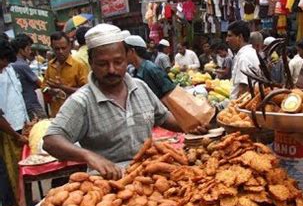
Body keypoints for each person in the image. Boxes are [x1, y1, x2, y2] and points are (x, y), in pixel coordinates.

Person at [43, 24, 203, 180]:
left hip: (148, 176)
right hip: (108, 184)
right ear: (91, 63)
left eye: (118, 62)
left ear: (127, 58)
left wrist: (190, 124)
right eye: (102, 64)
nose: (112, 69)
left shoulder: (140, 87)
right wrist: (89, 156)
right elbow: (51, 140)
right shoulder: (82, 101)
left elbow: (163, 117)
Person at [0, 39, 29, 206]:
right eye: (2, 63)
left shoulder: (9, 69)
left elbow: (17, 97)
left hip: (17, 125)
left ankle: (22, 199)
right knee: (10, 168)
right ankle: (16, 204)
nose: (3, 67)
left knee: (20, 165)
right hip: (6, 130)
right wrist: (15, 134)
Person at [43, 31, 88, 116]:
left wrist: (62, 87)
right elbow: (44, 87)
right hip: (56, 114)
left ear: (69, 47)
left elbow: (85, 91)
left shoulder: (79, 65)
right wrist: (50, 90)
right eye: (57, 49)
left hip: (75, 114)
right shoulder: (50, 65)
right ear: (52, 48)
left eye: (63, 48)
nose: (60, 52)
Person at [125, 35, 175, 99]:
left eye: (124, 52)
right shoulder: (135, 71)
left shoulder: (151, 68)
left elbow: (170, 90)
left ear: (132, 51)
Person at [10, 34, 47, 119]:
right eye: (28, 49)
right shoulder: (22, 65)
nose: (30, 51)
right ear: (21, 50)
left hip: (21, 105)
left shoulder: (10, 64)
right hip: (31, 105)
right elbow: (39, 83)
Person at [226, 20, 260, 99]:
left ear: (240, 37)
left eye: (230, 36)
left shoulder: (244, 57)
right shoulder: (250, 52)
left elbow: (243, 88)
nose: (227, 40)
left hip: (241, 106)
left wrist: (235, 106)